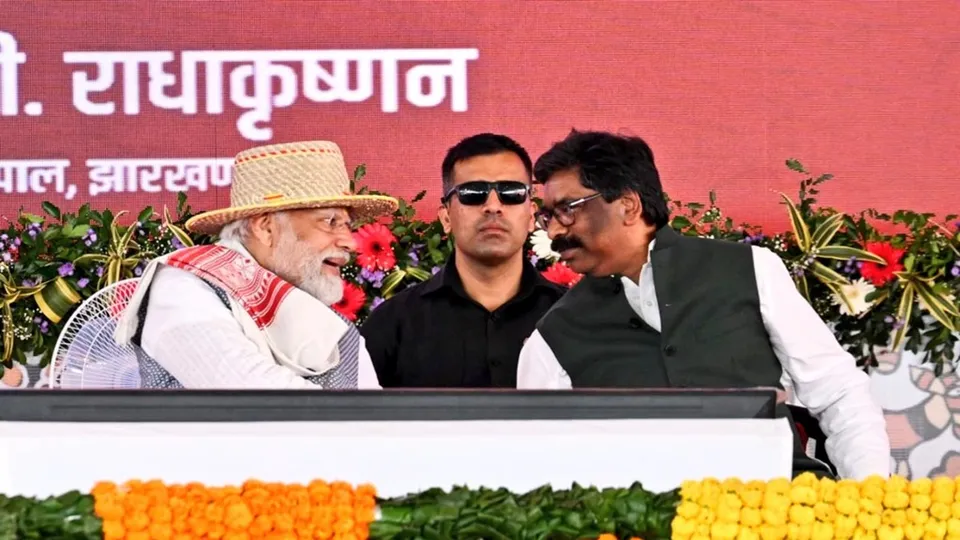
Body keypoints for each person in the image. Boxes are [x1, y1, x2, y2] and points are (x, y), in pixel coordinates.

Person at [516, 129, 891, 480]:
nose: (553, 232)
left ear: (628, 205)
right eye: (547, 216)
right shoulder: (551, 339)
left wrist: (869, 495)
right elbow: (545, 469)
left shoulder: (749, 270)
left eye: (568, 209)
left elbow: (838, 392)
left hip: (782, 511)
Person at [113, 141, 398, 389]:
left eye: (348, 225)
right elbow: (254, 400)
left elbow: (372, 422)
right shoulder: (184, 288)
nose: (349, 242)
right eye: (330, 222)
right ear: (265, 228)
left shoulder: (338, 331)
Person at [361, 134, 565, 387]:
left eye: (511, 192)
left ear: (532, 215)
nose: (493, 206)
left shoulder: (571, 318)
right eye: (473, 193)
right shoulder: (393, 324)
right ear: (446, 218)